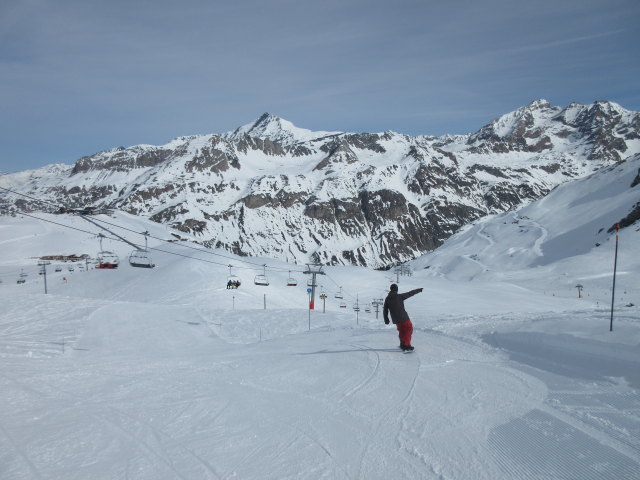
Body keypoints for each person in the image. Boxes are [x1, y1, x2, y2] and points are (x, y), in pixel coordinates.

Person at [383, 284, 423, 351]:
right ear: (396, 289)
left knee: (402, 331)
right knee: (408, 330)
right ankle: (406, 345)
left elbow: (385, 310)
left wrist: (386, 319)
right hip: (403, 317)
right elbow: (410, 293)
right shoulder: (399, 296)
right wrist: (419, 290)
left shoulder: (387, 299)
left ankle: (402, 343)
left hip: (396, 320)